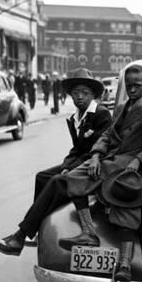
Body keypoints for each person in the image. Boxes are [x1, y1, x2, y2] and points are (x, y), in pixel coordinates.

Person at [0, 65, 142, 282]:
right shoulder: (122, 107)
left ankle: (21, 236)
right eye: (129, 86)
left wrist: (137, 161)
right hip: (107, 162)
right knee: (64, 180)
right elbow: (107, 136)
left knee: (65, 182)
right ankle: (39, 235)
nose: (133, 90)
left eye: (138, 86)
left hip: (126, 167)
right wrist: (97, 155)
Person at [33, 68, 112, 201]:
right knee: (41, 177)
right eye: (75, 93)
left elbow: (96, 151)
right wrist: (66, 166)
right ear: (71, 95)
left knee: (56, 181)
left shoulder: (101, 114)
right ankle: (40, 217)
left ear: (93, 95)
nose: (80, 97)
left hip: (92, 165)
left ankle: (36, 219)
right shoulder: (74, 118)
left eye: (85, 93)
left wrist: (69, 168)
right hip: (78, 162)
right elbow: (77, 149)